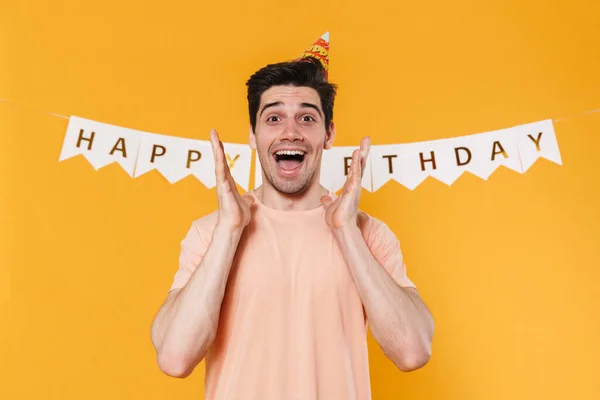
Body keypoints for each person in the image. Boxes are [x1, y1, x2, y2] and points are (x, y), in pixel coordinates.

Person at [150, 42, 434, 400]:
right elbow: (175, 358)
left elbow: (413, 351)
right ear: (253, 135)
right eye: (273, 118)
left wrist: (346, 231)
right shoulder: (211, 232)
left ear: (328, 134)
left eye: (306, 117)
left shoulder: (367, 233)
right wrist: (229, 230)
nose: (290, 132)